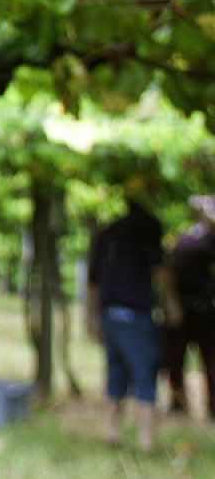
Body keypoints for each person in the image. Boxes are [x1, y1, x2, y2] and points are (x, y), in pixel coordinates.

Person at [87, 174, 182, 450]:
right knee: (145, 372)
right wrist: (172, 303)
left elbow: (93, 279)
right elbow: (160, 268)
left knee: (115, 371)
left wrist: (93, 317)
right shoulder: (147, 228)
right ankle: (145, 439)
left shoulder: (109, 231)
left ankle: (111, 431)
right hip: (134, 312)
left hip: (110, 311)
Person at [164, 195, 215, 419]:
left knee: (211, 361)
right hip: (183, 309)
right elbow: (170, 273)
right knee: (175, 359)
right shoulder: (185, 239)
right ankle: (178, 402)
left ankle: (212, 407)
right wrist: (172, 303)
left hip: (209, 311)